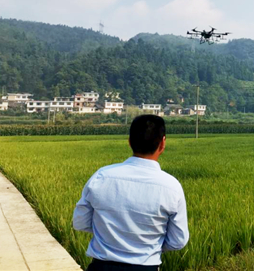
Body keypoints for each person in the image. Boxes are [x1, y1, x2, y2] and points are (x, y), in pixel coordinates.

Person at [73, 115, 189, 271]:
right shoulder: (171, 186)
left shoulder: (102, 176)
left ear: (129, 141)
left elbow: (80, 222)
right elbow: (178, 240)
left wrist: (108, 234)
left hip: (101, 267)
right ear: (162, 143)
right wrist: (148, 245)